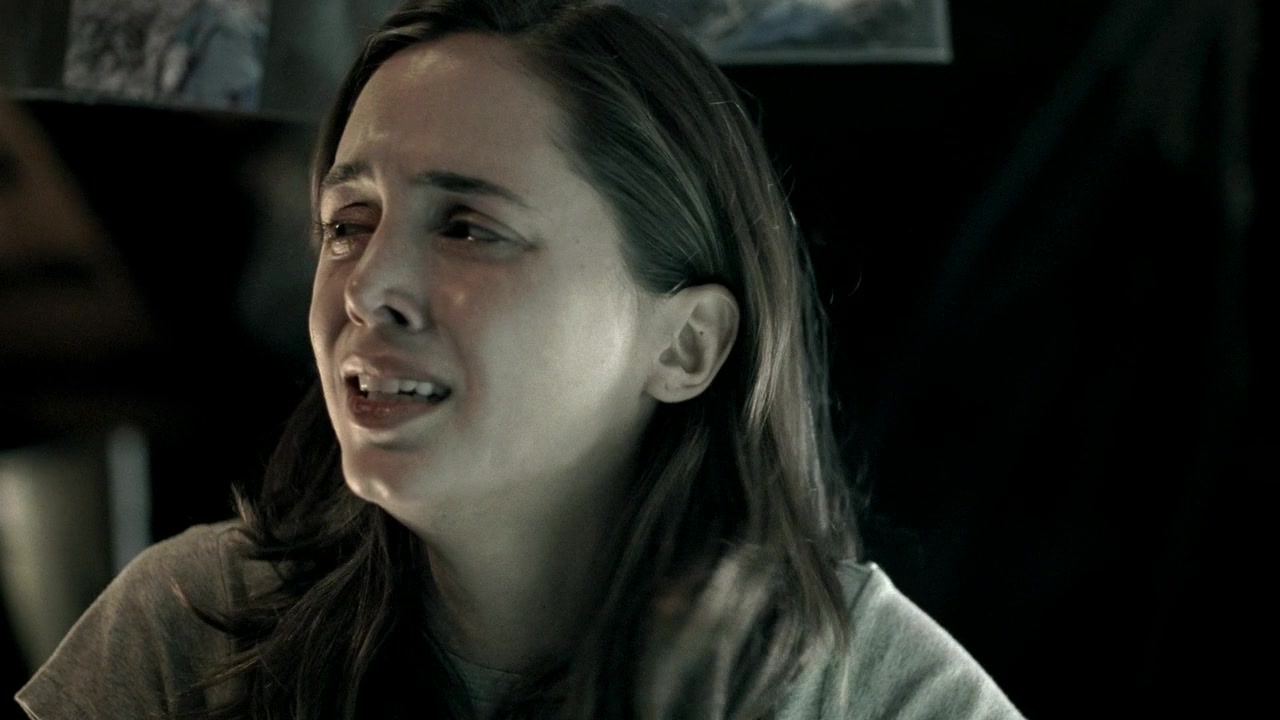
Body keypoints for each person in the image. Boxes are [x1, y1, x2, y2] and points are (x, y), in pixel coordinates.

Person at [14, 1, 1027, 718]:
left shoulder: (864, 693)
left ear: (685, 346)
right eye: (348, 223)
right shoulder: (193, 631)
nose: (368, 286)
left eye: (468, 227)